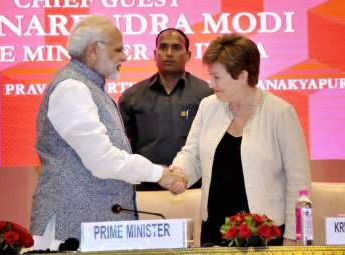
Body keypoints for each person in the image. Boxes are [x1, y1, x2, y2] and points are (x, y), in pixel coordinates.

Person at [30, 15, 186, 248]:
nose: (124, 56)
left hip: (91, 227)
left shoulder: (88, 87)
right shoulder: (72, 88)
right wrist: (159, 174)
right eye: (118, 49)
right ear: (94, 50)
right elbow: (102, 160)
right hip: (71, 229)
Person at [171, 33, 311, 246]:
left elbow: (299, 182)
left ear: (243, 76)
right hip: (215, 228)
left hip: (265, 233)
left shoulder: (280, 113)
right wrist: (179, 174)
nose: (211, 83)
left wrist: (292, 236)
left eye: (217, 77)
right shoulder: (208, 107)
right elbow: (192, 155)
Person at [118, 28, 212, 191]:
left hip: (196, 188)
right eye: (163, 47)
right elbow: (123, 148)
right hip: (146, 189)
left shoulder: (207, 95)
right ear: (155, 54)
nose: (169, 53)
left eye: (176, 48)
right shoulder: (132, 96)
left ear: (188, 55)